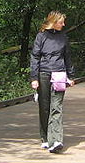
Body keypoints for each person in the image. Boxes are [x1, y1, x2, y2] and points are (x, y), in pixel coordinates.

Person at [30, 11, 75, 154]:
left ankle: (56, 140)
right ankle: (45, 138)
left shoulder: (63, 37)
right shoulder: (41, 36)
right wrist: (34, 78)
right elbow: (35, 57)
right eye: (61, 22)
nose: (64, 24)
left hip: (59, 74)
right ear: (54, 22)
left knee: (57, 107)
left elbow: (67, 56)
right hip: (43, 74)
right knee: (45, 107)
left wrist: (71, 75)